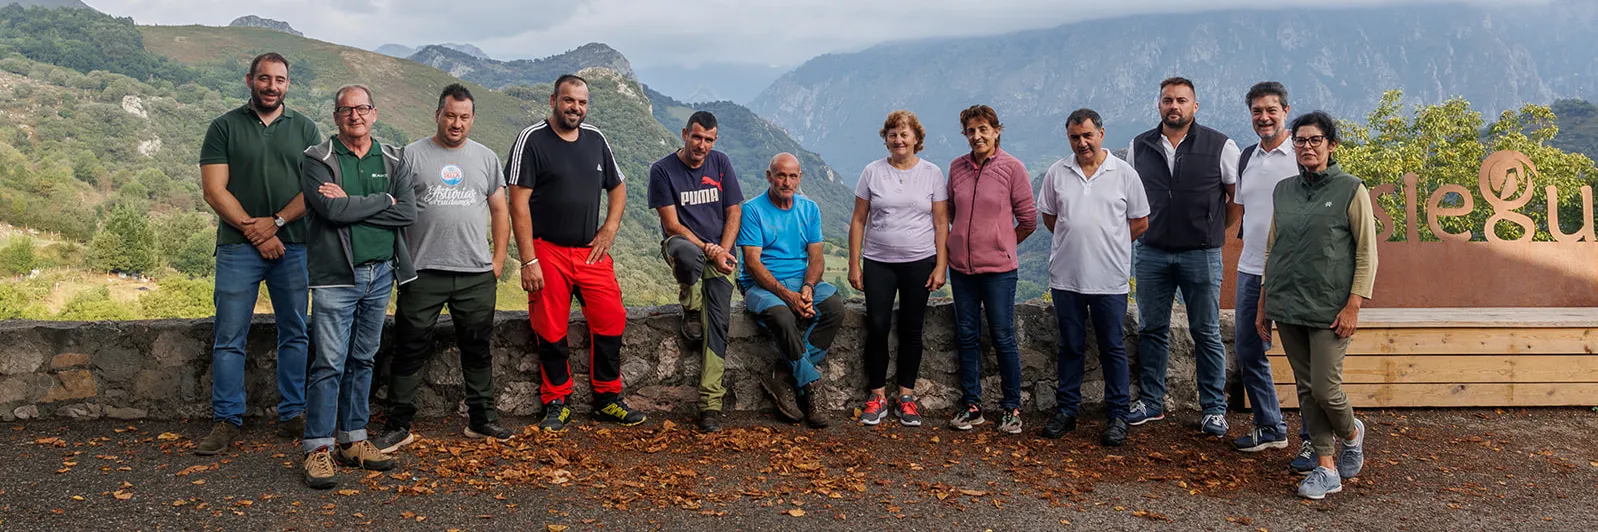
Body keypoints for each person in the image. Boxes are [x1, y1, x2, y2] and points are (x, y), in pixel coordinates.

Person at [372, 84, 512, 455]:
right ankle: (398, 425)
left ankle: (482, 419)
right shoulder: (411, 156)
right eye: (450, 115)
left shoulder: (486, 158)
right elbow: (395, 208)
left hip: (475, 274)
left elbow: (500, 210)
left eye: (464, 117)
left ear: (473, 119)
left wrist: (498, 261)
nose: (456, 123)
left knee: (477, 347)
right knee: (409, 347)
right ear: (437, 115)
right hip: (423, 271)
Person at [195, 52, 319, 456]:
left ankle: (293, 413)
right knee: (229, 336)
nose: (272, 86)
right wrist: (257, 232)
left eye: (279, 80)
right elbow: (214, 190)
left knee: (295, 332)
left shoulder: (305, 128)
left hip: (293, 245)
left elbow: (313, 188)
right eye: (264, 78)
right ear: (250, 80)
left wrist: (277, 223)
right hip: (238, 248)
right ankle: (226, 419)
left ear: (288, 84)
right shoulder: (224, 126)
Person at [507, 74, 645, 432]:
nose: (576, 108)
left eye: (582, 103)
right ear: (553, 100)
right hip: (547, 249)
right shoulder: (531, 139)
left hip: (590, 251)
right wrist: (528, 260)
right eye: (569, 100)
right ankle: (556, 400)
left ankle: (607, 398)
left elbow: (618, 187)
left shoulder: (596, 139)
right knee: (549, 325)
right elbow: (517, 203)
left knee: (612, 316)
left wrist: (609, 229)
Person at [298, 84, 417, 489]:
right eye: (347, 110)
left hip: (380, 273)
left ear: (374, 113)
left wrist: (353, 203)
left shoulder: (393, 158)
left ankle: (353, 440)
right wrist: (383, 200)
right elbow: (330, 210)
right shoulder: (318, 158)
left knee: (363, 359)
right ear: (335, 117)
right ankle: (318, 448)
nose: (355, 116)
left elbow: (408, 213)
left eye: (362, 108)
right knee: (329, 363)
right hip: (336, 276)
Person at [1256, 111, 1377, 500]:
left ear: (1331, 145)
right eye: (1300, 140)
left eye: (1315, 140)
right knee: (1306, 389)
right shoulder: (1284, 190)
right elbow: (1273, 248)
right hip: (1287, 303)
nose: (1307, 147)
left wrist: (1354, 305)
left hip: (1330, 307)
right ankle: (1326, 468)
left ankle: (1352, 433)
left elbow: (1367, 253)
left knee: (1326, 389)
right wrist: (1264, 303)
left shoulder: (1350, 189)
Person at [1125, 77, 1242, 438]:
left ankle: (1214, 409)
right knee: (1151, 329)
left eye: (1181, 100)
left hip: (1201, 254)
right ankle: (1151, 402)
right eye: (1167, 100)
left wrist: (1212, 230)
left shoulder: (1221, 145)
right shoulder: (1139, 146)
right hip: (1152, 252)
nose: (1173, 106)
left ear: (1195, 105)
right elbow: (1130, 198)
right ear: (1159, 105)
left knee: (1206, 331)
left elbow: (1236, 198)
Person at [1036, 109, 1149, 447]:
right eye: (1075, 137)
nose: (1082, 143)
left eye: (1087, 135)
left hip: (1109, 279)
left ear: (1101, 133)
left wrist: (1111, 243)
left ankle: (1118, 415)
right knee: (1069, 346)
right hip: (1066, 278)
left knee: (1112, 347)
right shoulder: (1057, 173)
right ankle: (1067, 411)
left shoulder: (1124, 173)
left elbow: (1140, 222)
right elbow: (1050, 217)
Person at [847, 110, 947, 428]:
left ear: (916, 138)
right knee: (877, 326)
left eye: (904, 134)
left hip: (920, 261)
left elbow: (941, 222)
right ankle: (877, 396)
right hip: (879, 262)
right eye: (893, 134)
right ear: (886, 139)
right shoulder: (872, 172)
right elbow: (858, 220)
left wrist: (941, 265)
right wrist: (854, 263)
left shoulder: (932, 173)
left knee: (911, 328)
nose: (899, 139)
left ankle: (906, 397)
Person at [647, 111, 744, 432]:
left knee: (718, 324)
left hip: (720, 255)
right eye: (697, 137)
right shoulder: (662, 170)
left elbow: (734, 212)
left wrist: (723, 251)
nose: (702, 145)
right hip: (684, 246)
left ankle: (710, 404)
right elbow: (671, 224)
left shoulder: (721, 163)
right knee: (688, 256)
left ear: (715, 140)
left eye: (709, 140)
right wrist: (708, 249)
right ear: (685, 133)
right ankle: (691, 306)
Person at [946, 105, 1037, 434]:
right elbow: (951, 211)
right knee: (966, 336)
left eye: (983, 129)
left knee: (1002, 336)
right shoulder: (957, 167)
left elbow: (1028, 220)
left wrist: (1003, 242)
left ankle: (1012, 407)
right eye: (971, 131)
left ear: (997, 131)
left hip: (999, 271)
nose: (977, 136)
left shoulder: (1012, 168)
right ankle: (972, 406)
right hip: (961, 269)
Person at [738, 153, 841, 430]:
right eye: (781, 175)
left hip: (799, 281)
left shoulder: (809, 209)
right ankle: (811, 384)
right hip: (761, 285)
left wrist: (808, 287)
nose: (787, 182)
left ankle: (782, 372)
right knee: (782, 316)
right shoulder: (753, 210)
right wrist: (788, 297)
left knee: (833, 308)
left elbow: (816, 258)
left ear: (799, 178)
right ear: (769, 176)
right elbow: (752, 263)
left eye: (792, 176)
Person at [1230, 81, 1306, 458]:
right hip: (1250, 269)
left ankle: (1314, 441)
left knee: (1304, 359)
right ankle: (1270, 426)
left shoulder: (1303, 155)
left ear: (1285, 112)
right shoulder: (1247, 157)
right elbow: (1246, 212)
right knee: (1249, 350)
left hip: (1294, 272)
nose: (1264, 117)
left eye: (1271, 110)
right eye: (1257, 111)